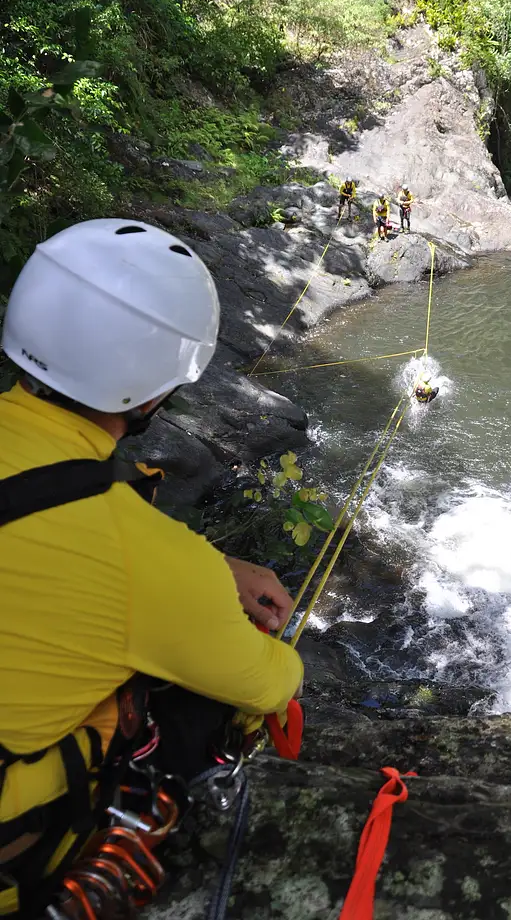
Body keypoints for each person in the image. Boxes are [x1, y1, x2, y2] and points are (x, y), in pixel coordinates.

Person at [0, 219, 304, 919]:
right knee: (194, 704)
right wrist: (200, 581)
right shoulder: (147, 557)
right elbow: (269, 681)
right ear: (150, 394)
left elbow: (48, 519)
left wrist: (214, 565)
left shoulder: (128, 539)